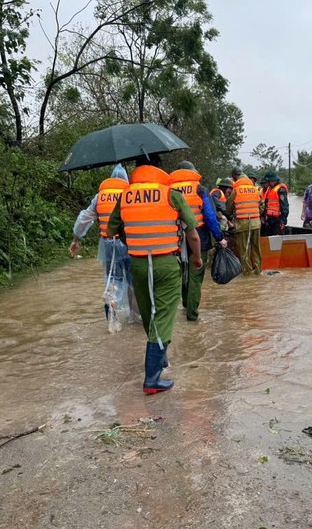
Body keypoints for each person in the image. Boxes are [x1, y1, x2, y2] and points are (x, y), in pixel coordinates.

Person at [107, 155, 202, 394]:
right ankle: (152, 378)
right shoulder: (171, 195)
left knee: (149, 314)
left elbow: (111, 230)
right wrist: (197, 257)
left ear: (136, 170)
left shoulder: (125, 196)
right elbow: (192, 233)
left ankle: (160, 361)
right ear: (158, 169)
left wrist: (134, 239)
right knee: (163, 316)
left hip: (137, 264)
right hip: (166, 265)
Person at [69, 170, 133, 322]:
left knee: (113, 277)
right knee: (133, 281)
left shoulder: (100, 196)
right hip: (129, 242)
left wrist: (76, 239)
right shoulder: (130, 193)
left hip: (108, 243)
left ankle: (112, 302)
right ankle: (135, 319)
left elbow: (85, 217)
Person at [169, 160, 227, 322]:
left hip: (175, 236)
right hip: (198, 235)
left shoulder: (168, 189)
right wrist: (219, 237)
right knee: (196, 275)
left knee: (183, 271)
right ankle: (192, 315)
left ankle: (186, 304)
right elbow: (209, 216)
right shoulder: (199, 189)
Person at [226, 167, 262, 275]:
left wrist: (230, 215)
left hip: (242, 224)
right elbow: (261, 205)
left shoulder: (236, 190)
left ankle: (247, 274)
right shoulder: (254, 188)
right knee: (256, 249)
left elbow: (228, 207)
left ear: (235, 176)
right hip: (256, 223)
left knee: (244, 250)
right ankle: (258, 272)